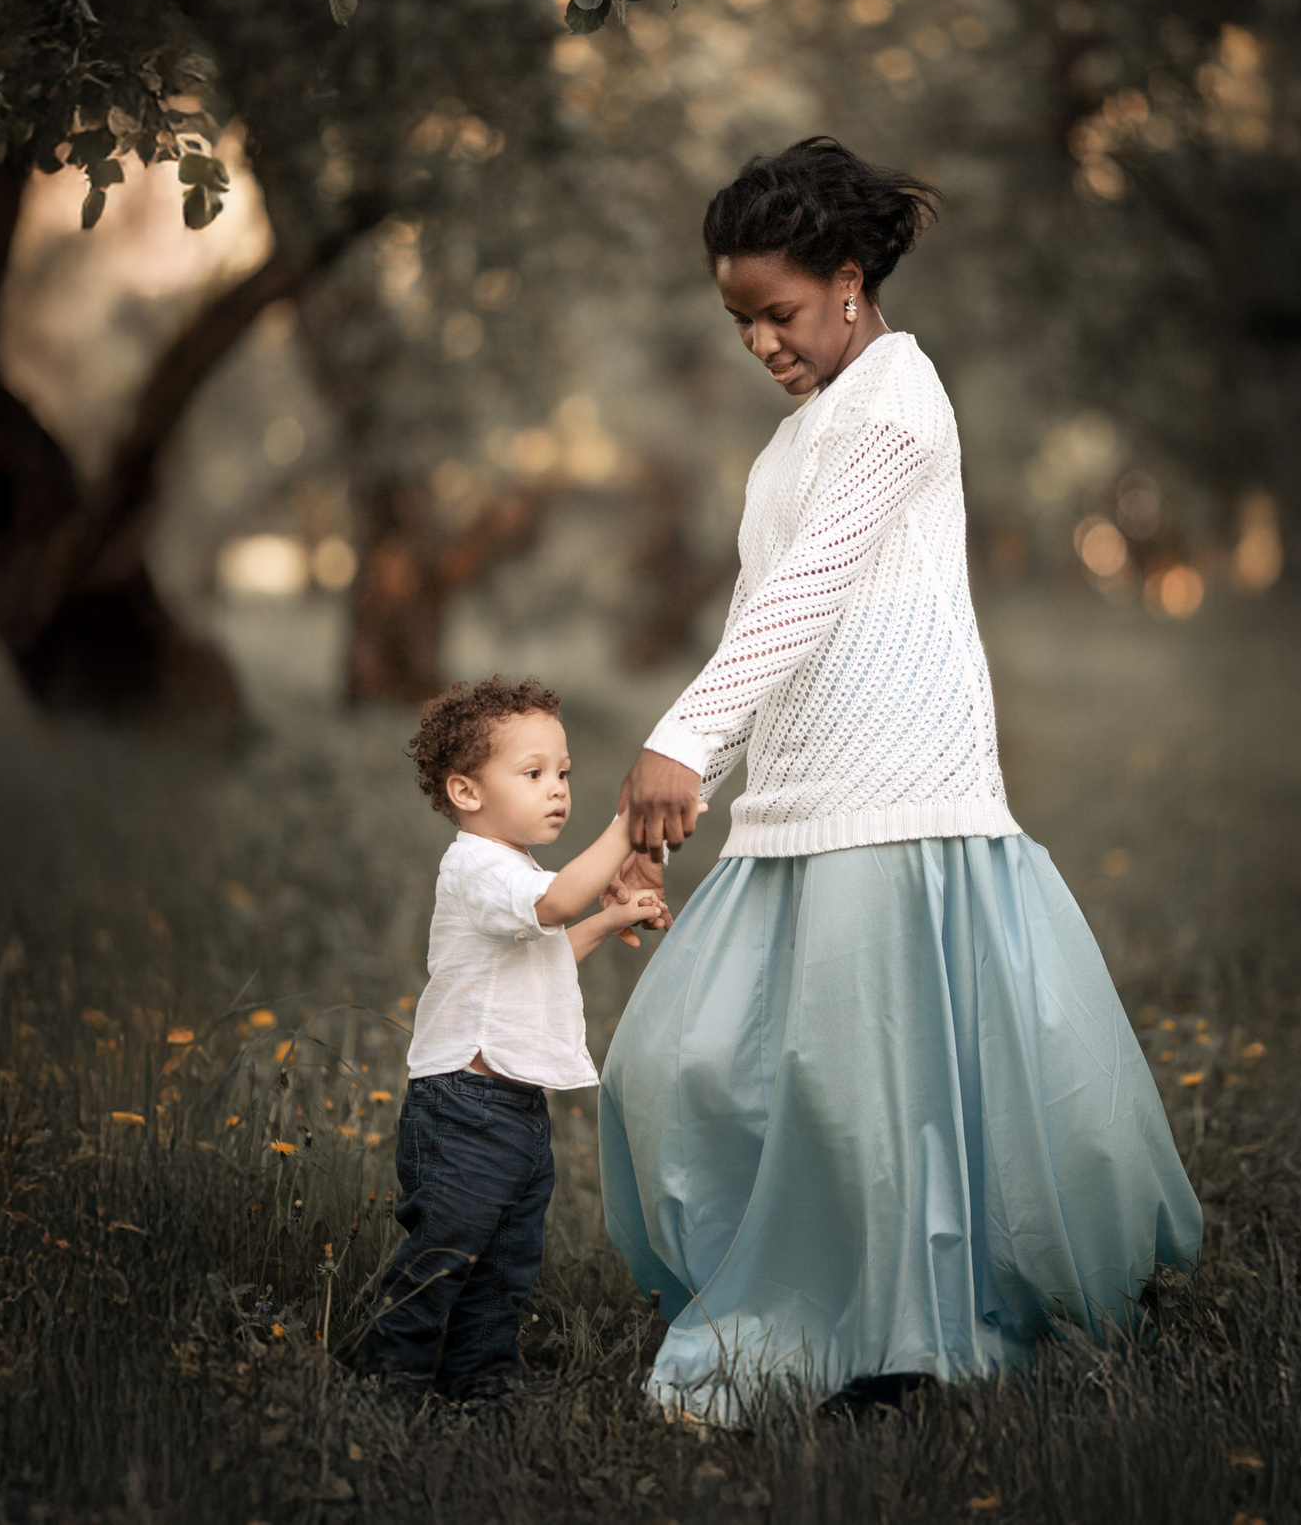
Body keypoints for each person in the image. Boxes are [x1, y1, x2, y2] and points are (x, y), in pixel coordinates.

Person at [598, 138, 1202, 1422]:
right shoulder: (794, 438)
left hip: (900, 795)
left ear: (852, 281)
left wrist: (679, 733)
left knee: (877, 1094)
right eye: (739, 321)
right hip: (797, 807)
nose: (761, 341)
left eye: (780, 311)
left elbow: (813, 588)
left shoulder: (899, 398)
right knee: (684, 1061)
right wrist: (700, 770)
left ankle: (907, 1341)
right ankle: (813, 1292)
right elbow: (770, 619)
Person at [353, 676, 668, 1399]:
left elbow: (543, 945)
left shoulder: (514, 871)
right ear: (467, 791)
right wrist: (627, 825)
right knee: (444, 1250)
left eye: (562, 772)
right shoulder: (478, 867)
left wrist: (606, 920)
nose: (556, 788)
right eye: (532, 774)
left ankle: (480, 1382)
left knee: (506, 1261)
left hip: (516, 1108)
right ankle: (387, 1379)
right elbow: (555, 903)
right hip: (464, 1106)